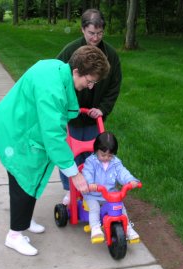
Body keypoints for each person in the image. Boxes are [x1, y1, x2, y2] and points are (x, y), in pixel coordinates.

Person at [0, 45, 110, 256]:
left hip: (26, 124)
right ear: (76, 71)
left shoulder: (59, 69)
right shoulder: (53, 90)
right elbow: (53, 136)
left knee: (30, 179)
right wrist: (74, 174)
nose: (90, 86)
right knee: (22, 180)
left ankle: (24, 219)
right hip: (18, 131)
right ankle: (14, 235)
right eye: (90, 80)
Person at [57, 9, 122, 204]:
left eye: (99, 33)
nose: (95, 37)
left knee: (92, 153)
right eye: (91, 33)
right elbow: (59, 79)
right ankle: (70, 189)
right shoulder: (70, 51)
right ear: (83, 29)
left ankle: (92, 187)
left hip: (95, 115)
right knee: (70, 152)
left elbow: (114, 86)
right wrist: (69, 106)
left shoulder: (110, 55)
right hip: (72, 115)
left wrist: (103, 109)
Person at [81, 132, 140, 243]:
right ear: (96, 150)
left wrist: (131, 181)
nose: (107, 158)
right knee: (94, 208)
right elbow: (87, 172)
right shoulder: (91, 161)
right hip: (93, 194)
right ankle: (95, 228)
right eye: (103, 155)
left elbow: (122, 172)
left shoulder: (115, 162)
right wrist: (90, 183)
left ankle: (127, 227)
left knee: (121, 208)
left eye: (110, 155)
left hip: (110, 194)